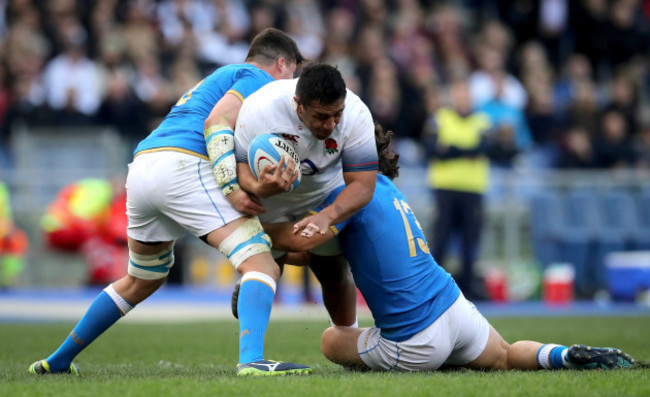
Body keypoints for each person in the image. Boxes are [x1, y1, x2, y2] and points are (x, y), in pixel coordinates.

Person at [29, 28, 312, 377]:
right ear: (281, 63)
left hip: (144, 165)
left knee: (141, 279)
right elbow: (216, 122)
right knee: (262, 265)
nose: (292, 87)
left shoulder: (220, 77)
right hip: (184, 164)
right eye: (293, 74)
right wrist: (231, 188)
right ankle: (252, 361)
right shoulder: (256, 77)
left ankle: (56, 360)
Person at [264, 124, 636, 372]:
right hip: (453, 305)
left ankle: (429, 357)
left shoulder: (346, 196)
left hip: (415, 339)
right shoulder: (386, 187)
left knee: (330, 340)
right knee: (505, 357)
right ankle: (563, 354)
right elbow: (311, 250)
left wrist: (250, 234)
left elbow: (303, 240)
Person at [232, 63, 379, 328]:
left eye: (337, 114)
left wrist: (328, 215)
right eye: (322, 116)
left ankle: (348, 340)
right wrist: (260, 188)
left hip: (325, 192)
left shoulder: (356, 114)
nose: (332, 124)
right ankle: (252, 358)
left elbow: (364, 185)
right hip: (272, 199)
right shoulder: (260, 109)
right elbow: (241, 169)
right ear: (299, 105)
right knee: (265, 269)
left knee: (331, 269)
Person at [422, 79, 492, 300]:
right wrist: (468, 151)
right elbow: (431, 149)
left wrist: (450, 149)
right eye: (458, 96)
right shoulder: (440, 119)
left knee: (470, 242)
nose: (462, 100)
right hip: (445, 189)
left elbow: (487, 147)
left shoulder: (482, 120)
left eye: (466, 96)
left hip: (472, 189)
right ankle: (433, 288)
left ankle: (468, 288)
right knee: (440, 240)